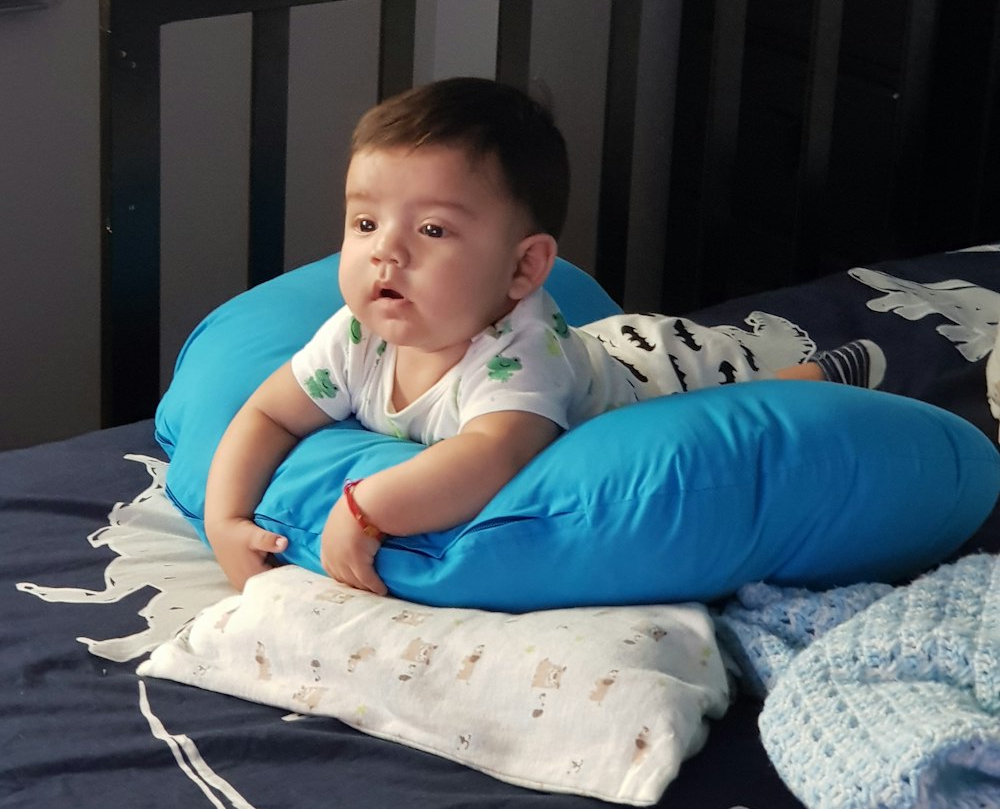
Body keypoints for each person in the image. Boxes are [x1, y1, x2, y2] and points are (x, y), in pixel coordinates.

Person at [205, 77, 884, 595]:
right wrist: (225, 518)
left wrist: (369, 506)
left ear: (524, 266)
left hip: (652, 374)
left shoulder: (516, 355)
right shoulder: (357, 335)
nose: (388, 252)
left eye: (432, 229)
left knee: (743, 399)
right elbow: (267, 411)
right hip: (591, 350)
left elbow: (492, 453)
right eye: (365, 223)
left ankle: (828, 374)